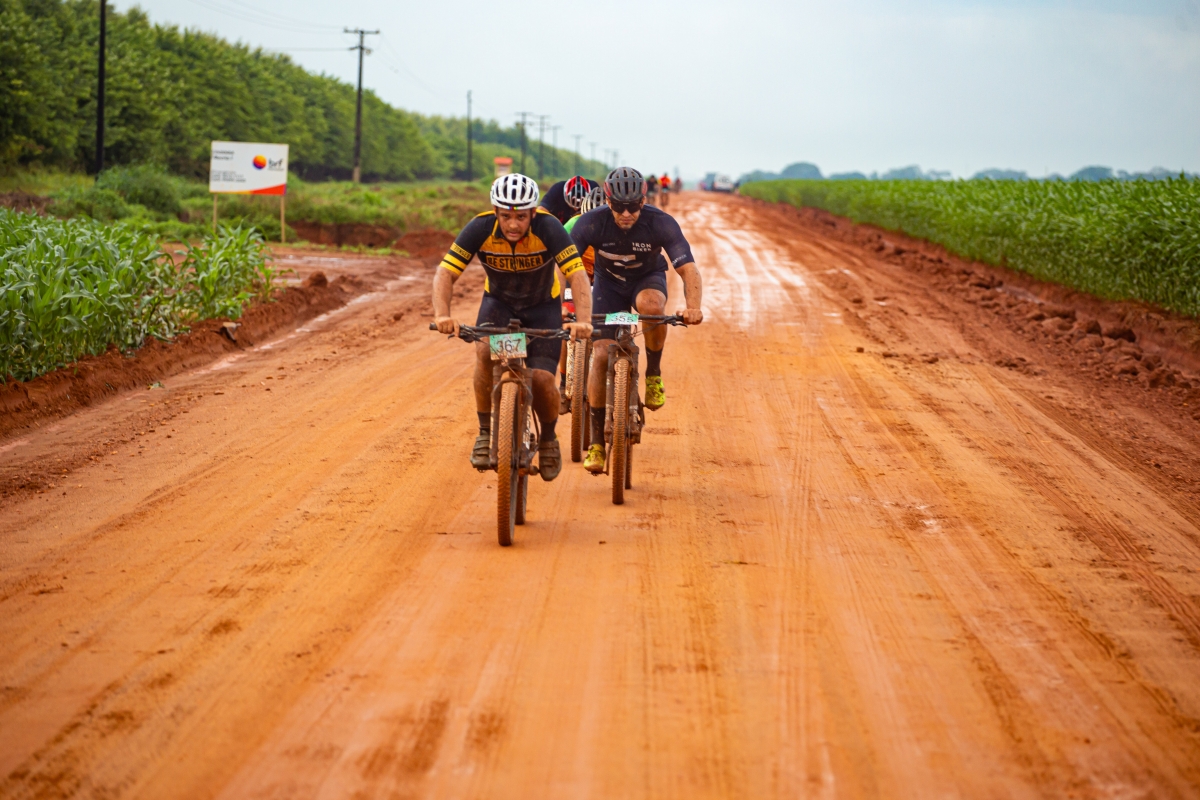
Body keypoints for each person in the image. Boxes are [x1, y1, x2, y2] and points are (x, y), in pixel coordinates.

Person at [433, 173, 593, 480]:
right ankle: (484, 432)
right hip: (499, 305)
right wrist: (443, 315)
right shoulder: (480, 227)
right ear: (495, 211)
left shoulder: (549, 228)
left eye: (521, 217)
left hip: (542, 307)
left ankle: (548, 439)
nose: (513, 225)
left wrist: (583, 321)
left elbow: (577, 275)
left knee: (543, 380)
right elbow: (445, 273)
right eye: (506, 216)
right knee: (484, 353)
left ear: (533, 213)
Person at [568, 167, 703, 474]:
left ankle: (653, 374)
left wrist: (693, 307)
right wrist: (557, 304)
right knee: (600, 354)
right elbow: (565, 266)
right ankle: (596, 443)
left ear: (643, 201)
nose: (626, 214)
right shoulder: (592, 222)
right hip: (608, 284)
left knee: (652, 306)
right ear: (608, 201)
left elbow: (689, 269)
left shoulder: (660, 222)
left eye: (632, 206)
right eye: (619, 206)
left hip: (647, 278)